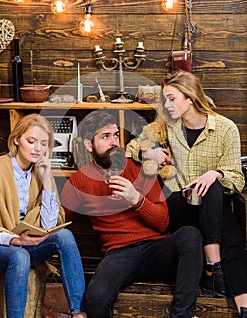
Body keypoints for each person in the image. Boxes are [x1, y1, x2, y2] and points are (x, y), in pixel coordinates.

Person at [126, 70, 247, 317]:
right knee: (214, 201)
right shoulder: (164, 126)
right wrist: (150, 153)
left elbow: (237, 178)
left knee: (231, 235)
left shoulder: (225, 129)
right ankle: (214, 266)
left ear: (190, 98)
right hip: (179, 206)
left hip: (213, 209)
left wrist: (216, 174)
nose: (166, 105)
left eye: (172, 98)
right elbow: (129, 149)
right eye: (164, 99)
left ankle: (243, 306)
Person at [60, 109, 203, 318]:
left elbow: (163, 222)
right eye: (105, 137)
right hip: (119, 253)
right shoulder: (80, 181)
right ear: (89, 145)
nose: (114, 142)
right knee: (96, 299)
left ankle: (182, 315)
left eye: (116, 135)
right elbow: (59, 217)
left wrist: (135, 198)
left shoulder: (139, 168)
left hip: (156, 248)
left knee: (190, 235)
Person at [0, 113, 87, 318]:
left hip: (25, 242)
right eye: (31, 141)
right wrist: (15, 240)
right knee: (19, 255)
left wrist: (46, 182)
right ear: (16, 139)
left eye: (44, 143)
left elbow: (49, 224)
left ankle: (78, 313)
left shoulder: (41, 171)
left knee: (64, 236)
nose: (38, 149)